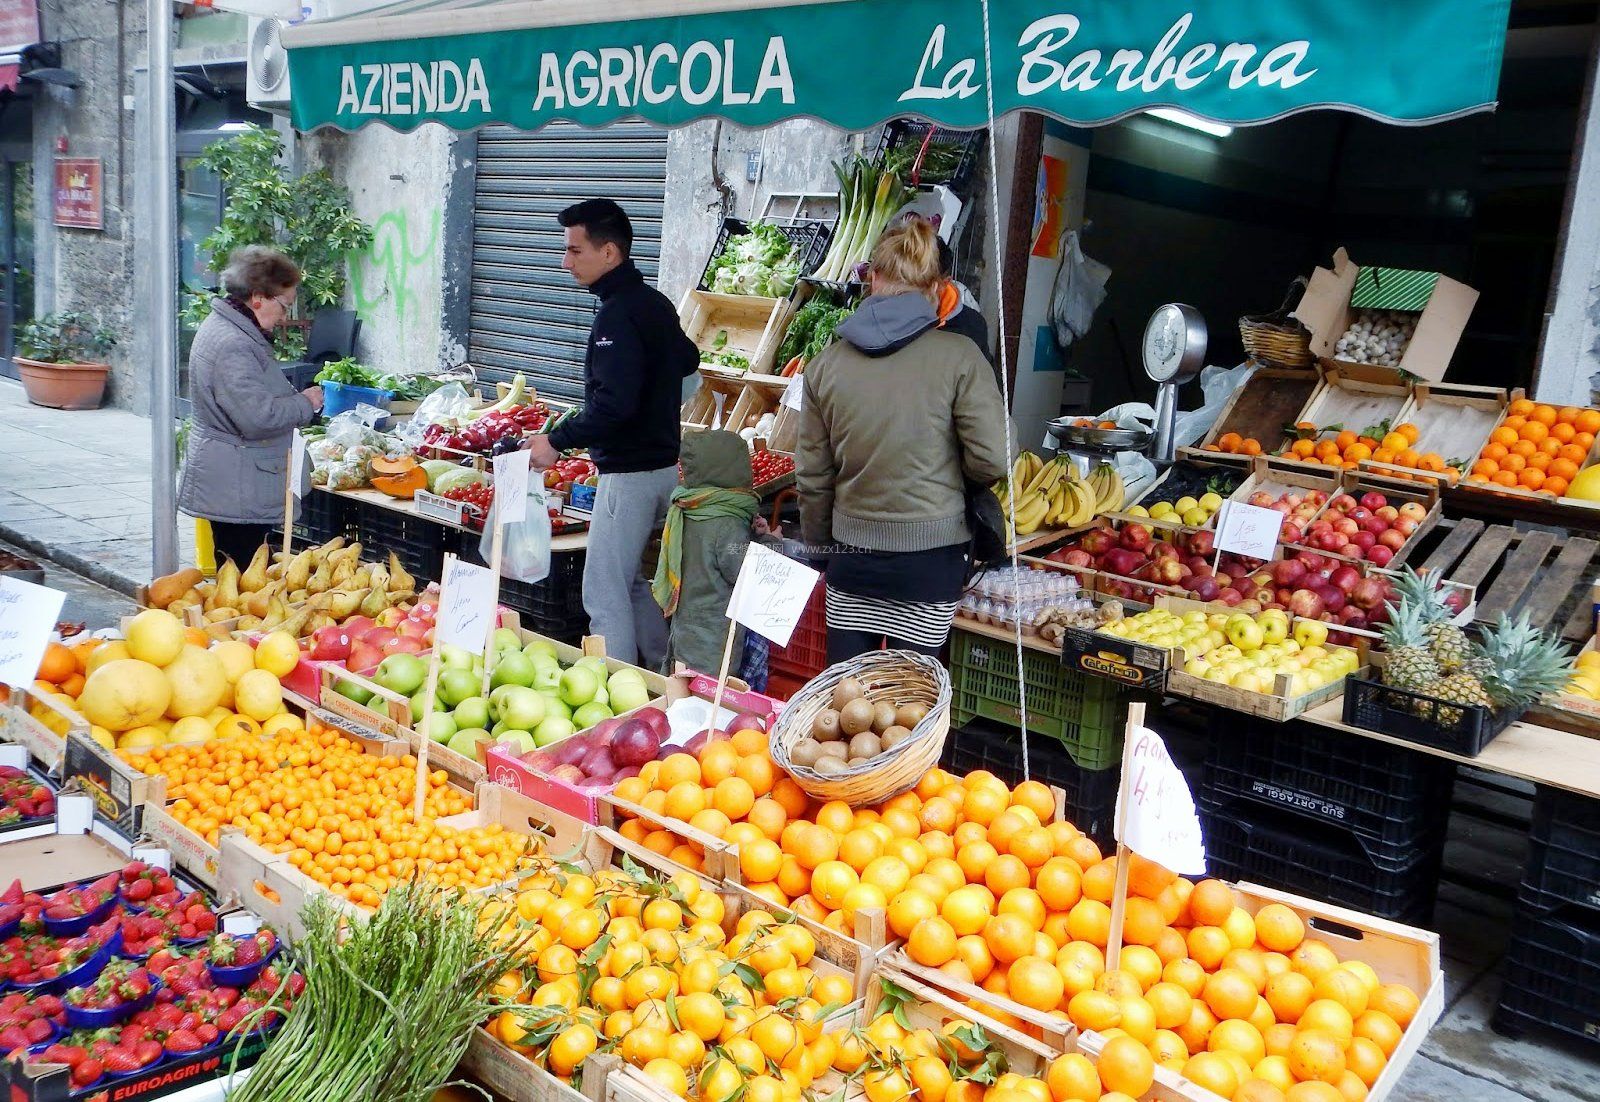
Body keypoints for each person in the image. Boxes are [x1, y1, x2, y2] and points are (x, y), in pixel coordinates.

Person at [797, 219, 1009, 663]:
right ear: (934, 287)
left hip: (851, 555)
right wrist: (950, 470)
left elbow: (814, 477)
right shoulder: (960, 357)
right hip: (930, 558)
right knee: (910, 705)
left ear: (872, 277)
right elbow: (993, 459)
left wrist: (821, 549)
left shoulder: (824, 365)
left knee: (843, 705)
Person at [523, 199, 700, 667]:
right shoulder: (654, 304)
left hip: (629, 475)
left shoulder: (618, 316)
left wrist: (555, 441)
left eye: (575, 251)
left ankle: (616, 695)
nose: (566, 263)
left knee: (601, 593)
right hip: (663, 467)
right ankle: (663, 673)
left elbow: (612, 406)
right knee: (629, 582)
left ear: (609, 253)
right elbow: (688, 360)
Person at [177, 245, 324, 568]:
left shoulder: (231, 329)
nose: (285, 316)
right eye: (284, 305)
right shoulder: (233, 343)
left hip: (235, 480)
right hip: (238, 486)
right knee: (241, 571)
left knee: (240, 569)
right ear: (258, 297)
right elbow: (258, 417)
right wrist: (305, 404)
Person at [651, 429, 766, 676]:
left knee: (681, 684)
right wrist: (768, 541)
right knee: (707, 696)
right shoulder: (727, 522)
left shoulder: (689, 508)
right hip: (714, 638)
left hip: (685, 628)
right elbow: (746, 573)